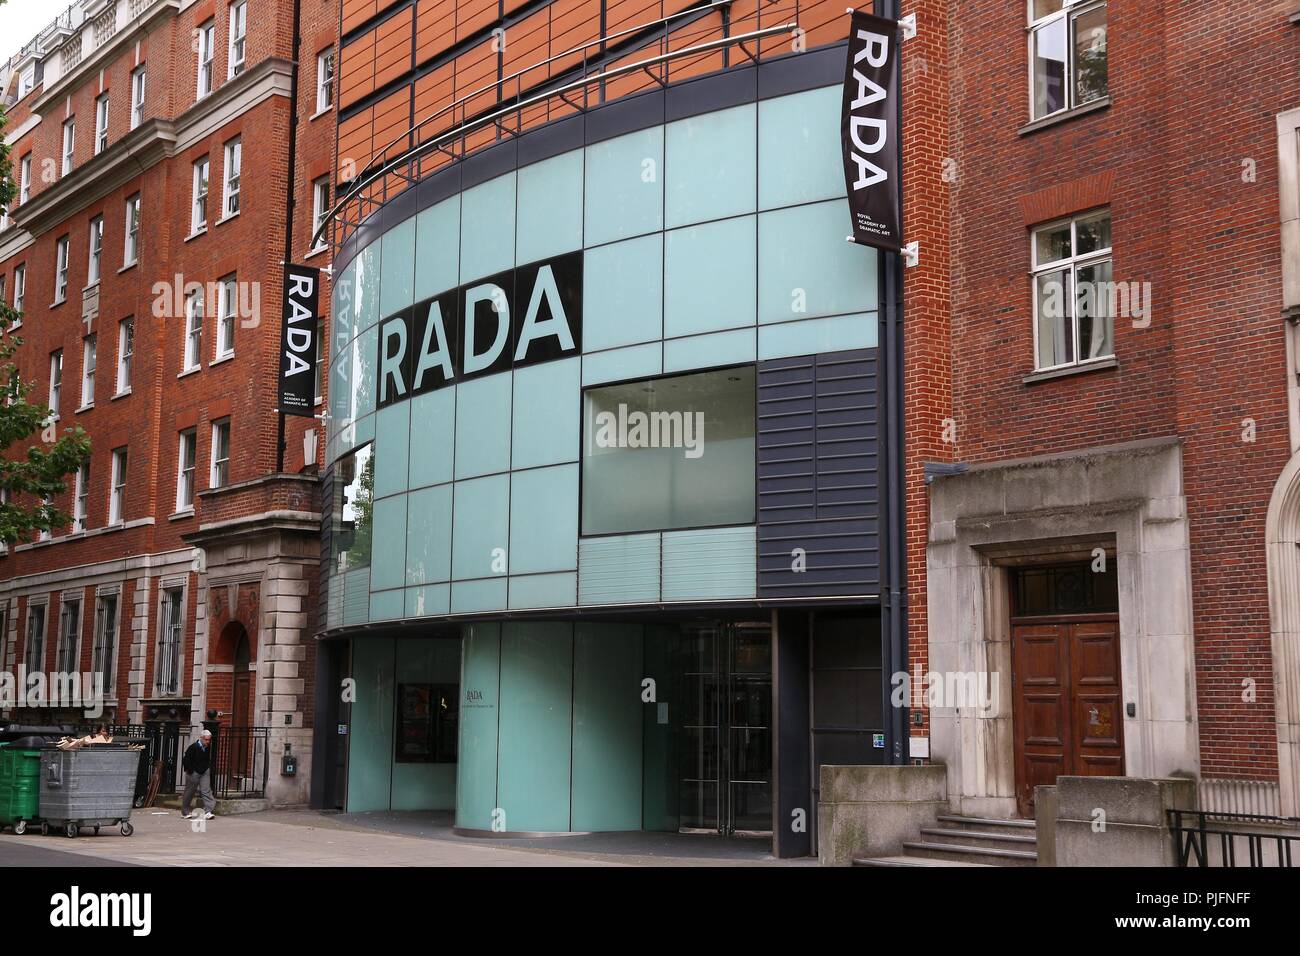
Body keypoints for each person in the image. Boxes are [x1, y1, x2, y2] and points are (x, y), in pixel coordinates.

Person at [181, 729, 216, 820]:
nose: (208, 741)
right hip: (193, 772)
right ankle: (185, 812)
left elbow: (207, 759)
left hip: (204, 771)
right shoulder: (193, 747)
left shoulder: (208, 747)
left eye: (209, 739)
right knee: (190, 791)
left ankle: (208, 811)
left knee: (206, 790)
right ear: (201, 738)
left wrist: (208, 767)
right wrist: (190, 770)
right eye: (206, 739)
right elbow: (186, 760)